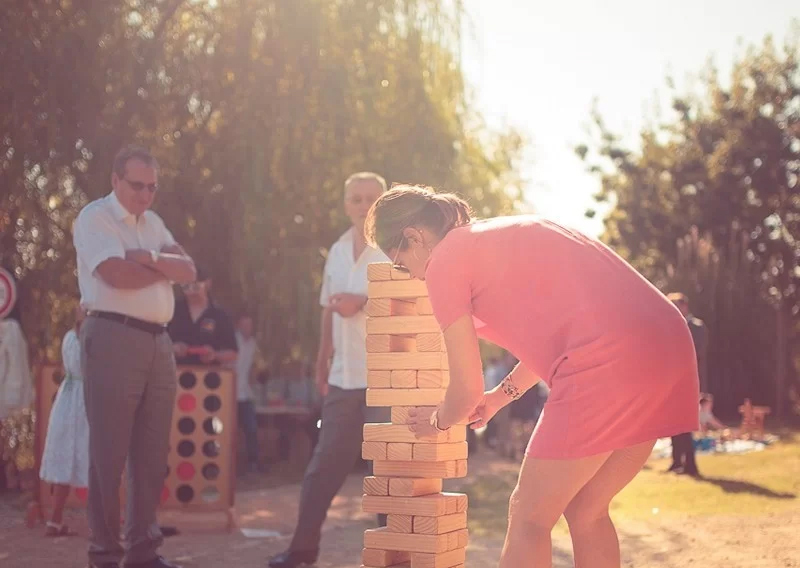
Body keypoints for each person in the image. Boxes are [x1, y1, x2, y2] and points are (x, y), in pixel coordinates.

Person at [365, 185, 700, 568]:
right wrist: (498, 397)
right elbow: (558, 343)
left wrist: (437, 420)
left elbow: (464, 388)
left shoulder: (444, 261)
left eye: (402, 264)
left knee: (528, 517)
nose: (412, 277)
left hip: (608, 359)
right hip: (667, 345)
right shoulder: (500, 235)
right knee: (586, 509)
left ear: (415, 237)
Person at [73, 145, 196, 568]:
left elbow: (190, 271)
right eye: (137, 185)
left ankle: (143, 552)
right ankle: (105, 555)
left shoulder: (154, 223)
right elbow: (114, 275)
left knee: (151, 454)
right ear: (115, 180)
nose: (145, 195)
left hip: (159, 343)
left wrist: (149, 259)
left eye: (152, 187)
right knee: (108, 454)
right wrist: (164, 268)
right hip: (113, 337)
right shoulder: (96, 218)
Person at [268, 172, 390, 568]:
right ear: (345, 204)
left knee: (385, 475)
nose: (363, 205)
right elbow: (328, 310)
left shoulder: (394, 248)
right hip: (343, 379)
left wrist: (364, 302)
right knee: (321, 471)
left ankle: (395, 558)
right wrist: (322, 362)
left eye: (371, 198)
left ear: (383, 202)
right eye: (356, 198)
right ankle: (301, 552)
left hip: (385, 382)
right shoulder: (337, 250)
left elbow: (410, 306)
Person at [39, 305, 89, 537]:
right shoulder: (80, 340)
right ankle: (57, 517)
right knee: (75, 454)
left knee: (78, 455)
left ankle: (58, 518)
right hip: (80, 400)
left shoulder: (74, 338)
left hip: (75, 399)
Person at [665, 292, 706, 477]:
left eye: (675, 305)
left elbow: (696, 353)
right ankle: (676, 462)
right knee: (673, 422)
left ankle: (690, 465)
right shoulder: (670, 327)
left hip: (689, 381)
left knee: (686, 423)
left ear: (685, 306)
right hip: (673, 381)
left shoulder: (697, 327)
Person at [168, 267, 238, 367]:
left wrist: (215, 355)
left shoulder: (219, 315)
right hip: (175, 374)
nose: (191, 291)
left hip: (209, 377)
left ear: (207, 284)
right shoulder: (172, 311)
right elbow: (156, 344)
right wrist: (173, 348)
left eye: (196, 286)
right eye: (186, 287)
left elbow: (233, 354)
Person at [233, 313, 266, 472]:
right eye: (245, 325)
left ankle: (253, 463)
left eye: (250, 325)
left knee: (251, 429)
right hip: (230, 395)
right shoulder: (232, 341)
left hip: (245, 394)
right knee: (228, 431)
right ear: (239, 325)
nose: (248, 328)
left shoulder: (252, 344)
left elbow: (252, 368)